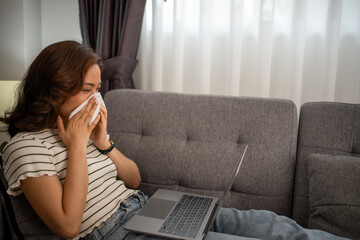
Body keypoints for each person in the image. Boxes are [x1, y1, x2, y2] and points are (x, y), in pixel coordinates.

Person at [1, 41, 348, 240]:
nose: (97, 99)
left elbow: (134, 180)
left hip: (145, 207)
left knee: (276, 227)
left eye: (98, 89)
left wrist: (103, 142)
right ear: (55, 88)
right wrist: (77, 147)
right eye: (87, 90)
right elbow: (67, 225)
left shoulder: (82, 128)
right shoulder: (24, 148)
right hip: (115, 233)